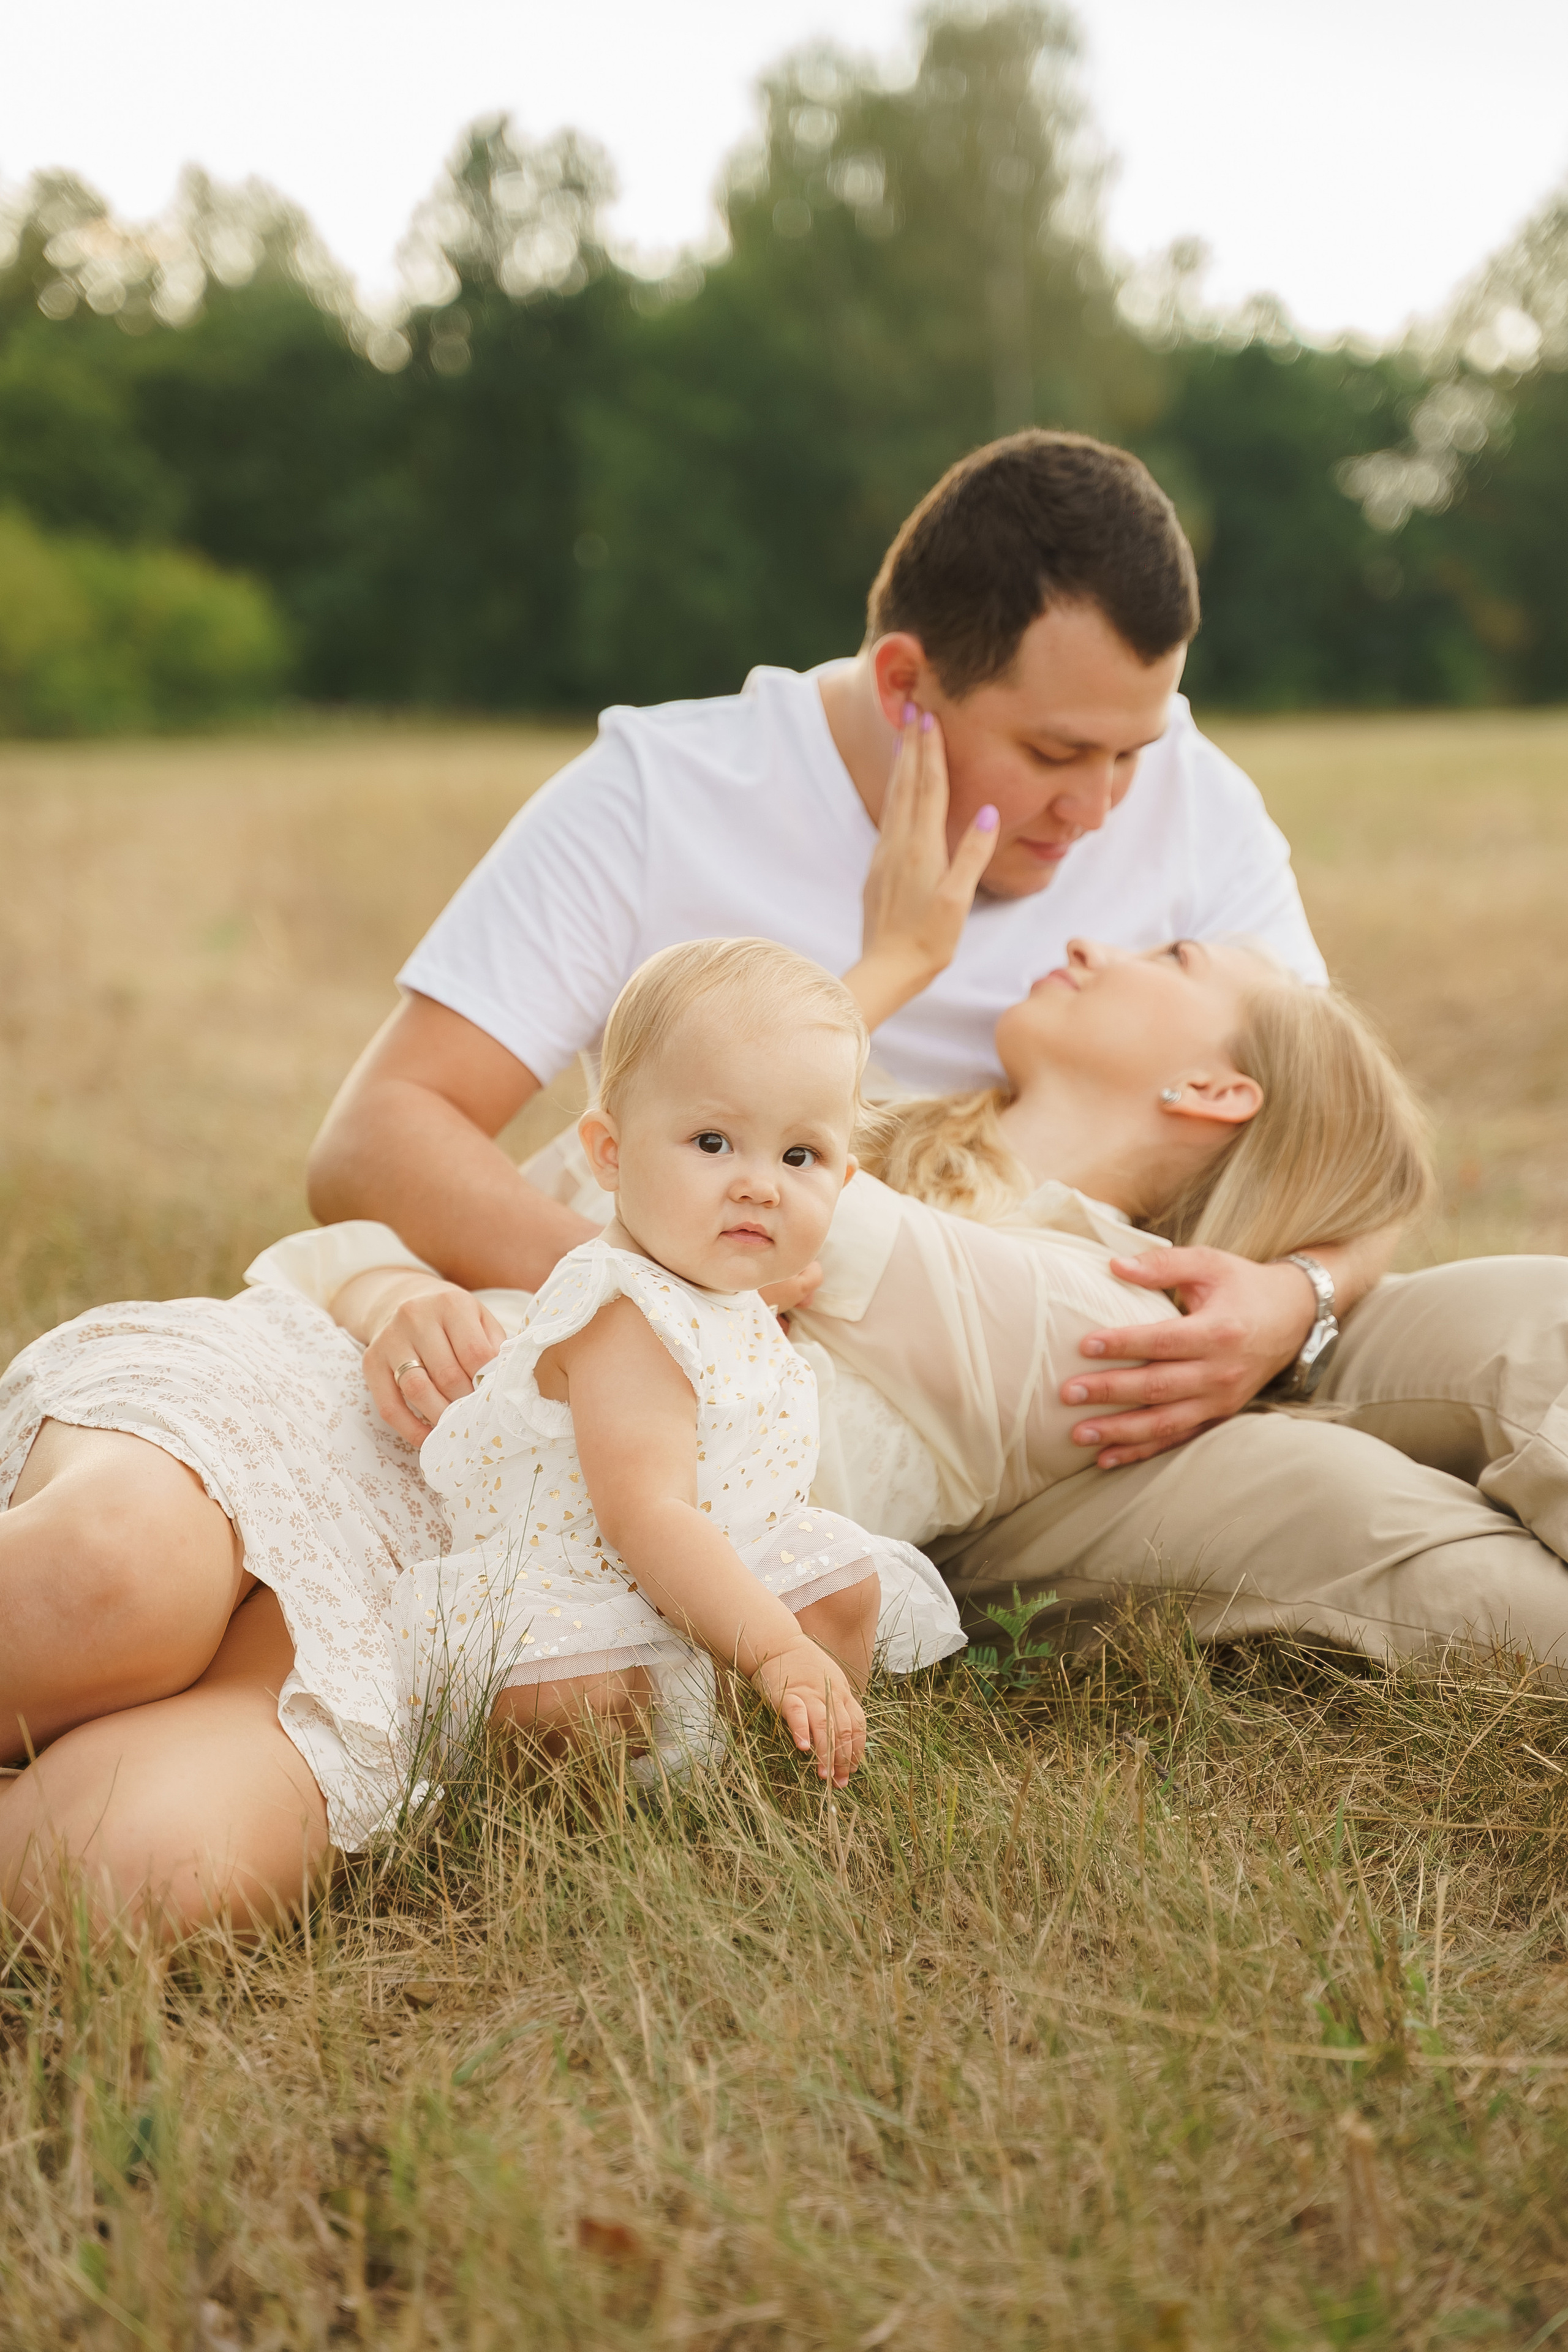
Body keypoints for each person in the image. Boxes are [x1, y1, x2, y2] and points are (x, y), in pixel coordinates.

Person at [372, 939, 960, 1817]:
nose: (760, 1186)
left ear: (846, 1176)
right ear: (610, 1154)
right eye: (714, 1143)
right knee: (572, 1704)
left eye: (800, 1157)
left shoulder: (720, 1288)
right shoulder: (625, 1317)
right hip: (586, 1579)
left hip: (717, 1555)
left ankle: (767, 1759)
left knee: (843, 1585)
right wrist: (770, 1648)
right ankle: (608, 1811)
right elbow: (647, 1516)